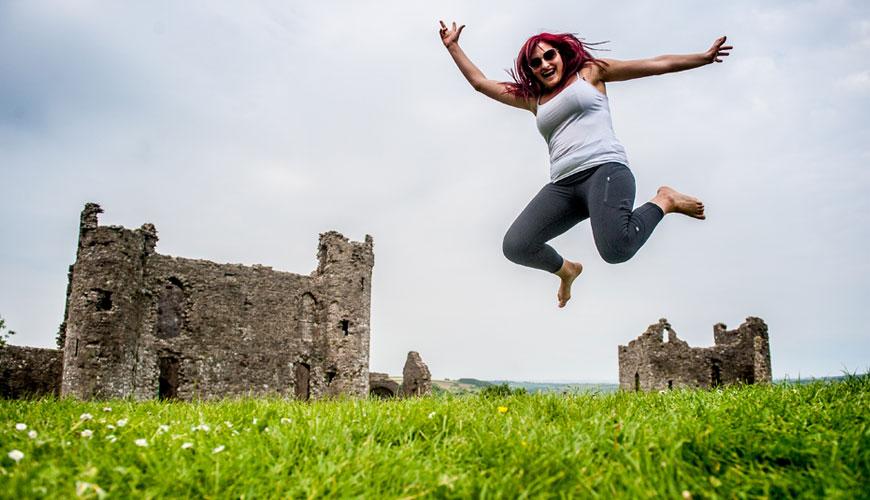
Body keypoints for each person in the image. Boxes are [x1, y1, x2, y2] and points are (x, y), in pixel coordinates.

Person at [438, 21, 732, 308]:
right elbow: (480, 83)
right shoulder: (534, 99)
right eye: (535, 62)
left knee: (617, 250)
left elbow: (657, 63)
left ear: (561, 55)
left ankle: (665, 200)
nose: (544, 64)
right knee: (516, 246)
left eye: (549, 55)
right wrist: (453, 47)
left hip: (605, 170)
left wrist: (703, 58)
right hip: (564, 186)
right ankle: (566, 270)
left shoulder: (590, 73)